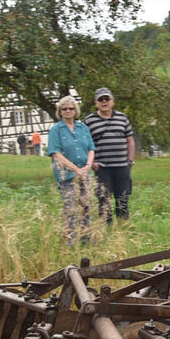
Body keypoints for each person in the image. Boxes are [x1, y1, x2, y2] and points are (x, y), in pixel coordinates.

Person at [47, 96, 95, 245]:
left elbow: (91, 149)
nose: (68, 111)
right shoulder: (56, 129)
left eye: (71, 108)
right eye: (64, 109)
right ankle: (71, 243)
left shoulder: (83, 128)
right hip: (66, 176)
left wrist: (87, 167)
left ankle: (87, 240)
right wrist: (76, 170)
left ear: (76, 111)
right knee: (71, 210)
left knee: (86, 207)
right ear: (60, 112)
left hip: (86, 173)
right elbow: (56, 154)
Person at [84, 87, 135, 225]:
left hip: (122, 166)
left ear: (112, 101)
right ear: (96, 103)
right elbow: (85, 144)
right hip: (102, 168)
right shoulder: (89, 121)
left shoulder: (122, 118)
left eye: (107, 99)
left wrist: (130, 161)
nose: (104, 101)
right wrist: (93, 163)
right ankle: (106, 230)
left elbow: (130, 140)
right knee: (103, 200)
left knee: (123, 199)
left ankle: (123, 229)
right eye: (101, 99)